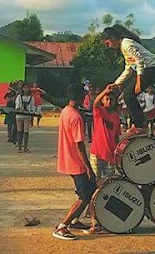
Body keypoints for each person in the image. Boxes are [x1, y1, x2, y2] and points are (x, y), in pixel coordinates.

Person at [53, 83, 96, 241]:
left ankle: (75, 220)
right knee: (85, 196)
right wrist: (88, 168)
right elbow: (79, 145)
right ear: (79, 97)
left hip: (67, 159)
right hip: (76, 162)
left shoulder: (65, 111)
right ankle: (62, 226)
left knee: (88, 190)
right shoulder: (76, 117)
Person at [102, 24, 155, 131]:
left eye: (108, 43)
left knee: (128, 94)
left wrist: (139, 80)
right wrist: (116, 83)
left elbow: (139, 60)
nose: (109, 46)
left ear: (112, 38)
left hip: (152, 68)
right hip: (148, 70)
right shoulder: (123, 47)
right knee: (128, 94)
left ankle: (139, 124)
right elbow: (129, 68)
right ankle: (139, 122)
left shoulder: (126, 44)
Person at [15, 82, 36, 153]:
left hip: (27, 116)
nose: (26, 89)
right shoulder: (19, 97)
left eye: (27, 88)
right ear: (22, 89)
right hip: (19, 116)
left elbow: (33, 107)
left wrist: (32, 112)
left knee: (26, 131)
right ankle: (19, 147)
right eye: (24, 88)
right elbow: (17, 106)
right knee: (19, 131)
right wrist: (20, 109)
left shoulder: (31, 98)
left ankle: (25, 147)